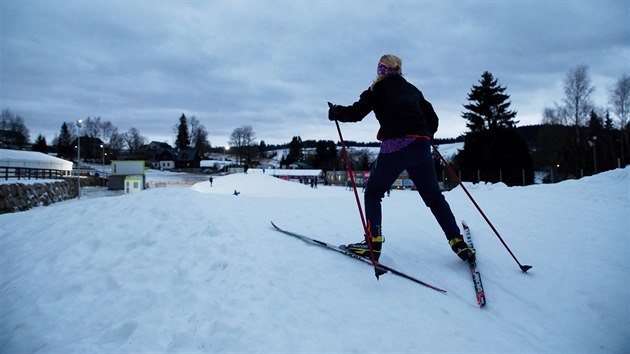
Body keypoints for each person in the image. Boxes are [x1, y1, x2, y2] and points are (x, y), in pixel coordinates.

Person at [327, 54, 474, 263]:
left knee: (373, 193)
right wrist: (426, 135)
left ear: (380, 70)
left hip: (395, 147)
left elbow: (356, 113)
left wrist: (336, 112)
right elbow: (433, 119)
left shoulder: (376, 90)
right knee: (434, 197)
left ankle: (372, 244)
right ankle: (457, 242)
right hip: (421, 146)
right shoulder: (413, 90)